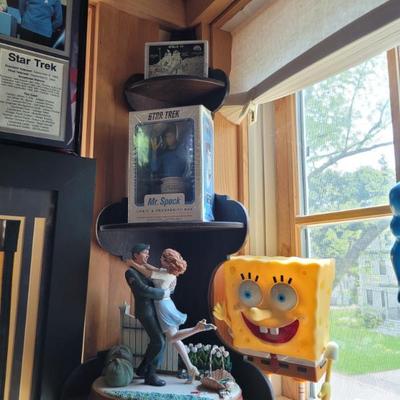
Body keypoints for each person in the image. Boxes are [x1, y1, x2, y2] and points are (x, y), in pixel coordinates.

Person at [127, 248, 216, 383]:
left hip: (162, 307)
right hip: (167, 304)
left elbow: (148, 273)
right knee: (176, 340)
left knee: (173, 337)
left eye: (163, 258)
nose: (160, 259)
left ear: (168, 263)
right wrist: (144, 263)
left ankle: (197, 328)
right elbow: (153, 269)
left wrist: (132, 264)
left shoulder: (164, 275)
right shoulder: (167, 272)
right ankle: (191, 367)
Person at [125, 243, 170, 386]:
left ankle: (142, 369)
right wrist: (164, 293)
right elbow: (143, 290)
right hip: (146, 311)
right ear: (136, 255)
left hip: (155, 309)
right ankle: (150, 375)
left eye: (147, 252)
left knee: (159, 339)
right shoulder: (130, 273)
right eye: (145, 252)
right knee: (159, 341)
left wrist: (169, 285)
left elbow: (160, 279)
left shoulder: (145, 270)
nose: (148, 255)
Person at [150, 126, 189, 194]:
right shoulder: (164, 154)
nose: (168, 139)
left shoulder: (182, 151)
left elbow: (187, 167)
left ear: (176, 136)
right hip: (166, 186)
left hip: (180, 185)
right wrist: (154, 151)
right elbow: (154, 168)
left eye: (170, 136)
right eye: (166, 137)